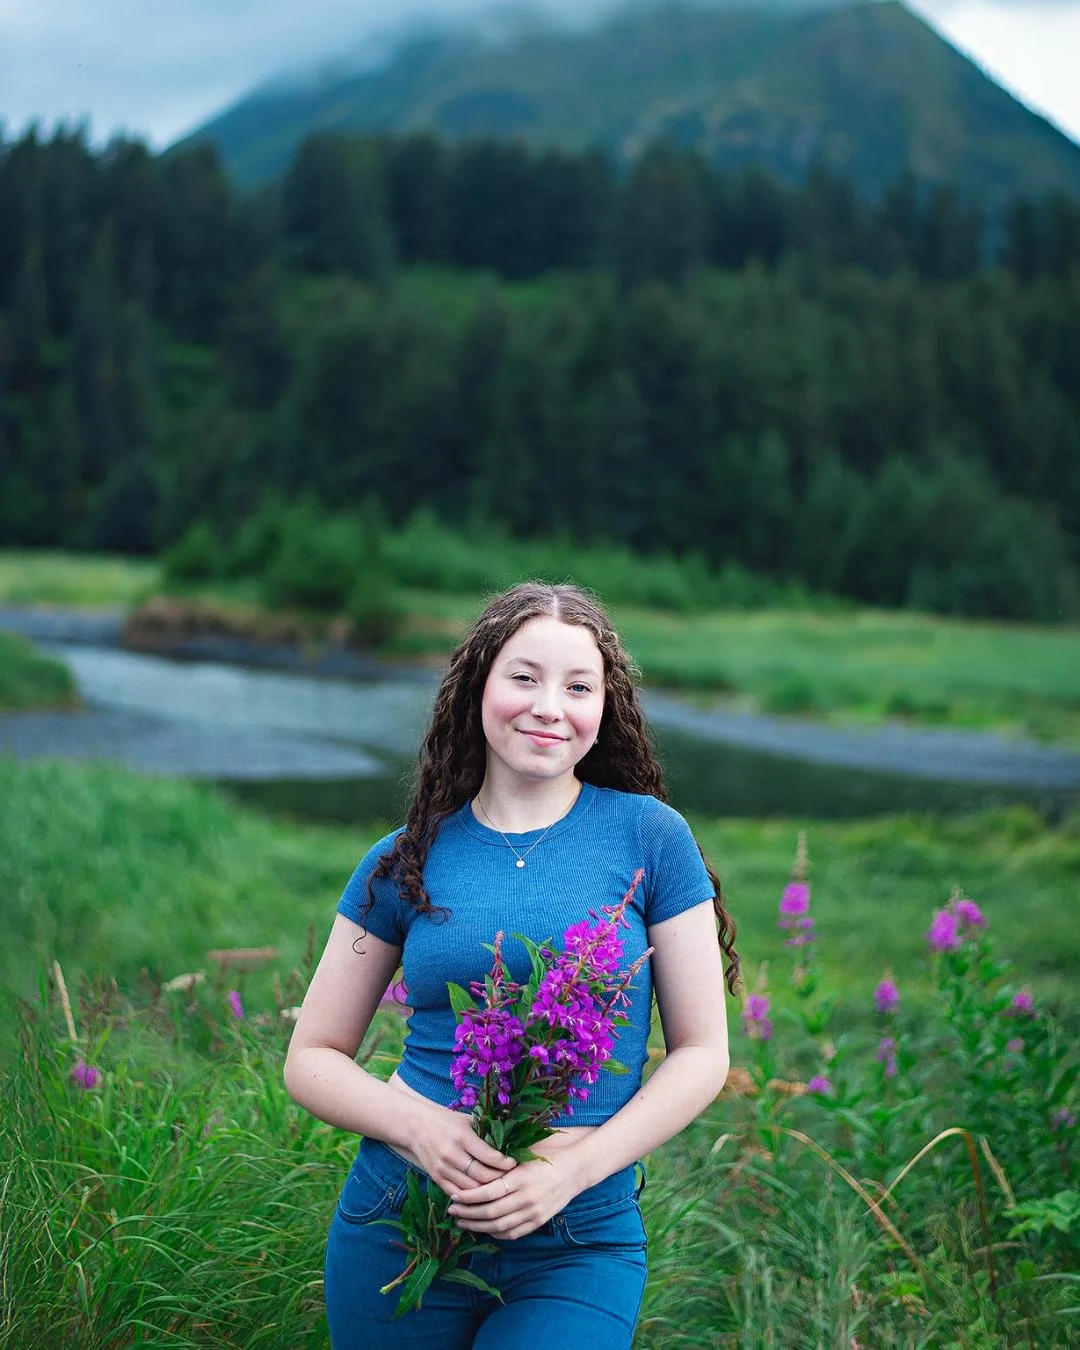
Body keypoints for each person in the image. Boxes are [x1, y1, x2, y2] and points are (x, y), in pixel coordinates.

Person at [284, 581, 740, 1349]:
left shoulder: (652, 839)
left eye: (578, 686)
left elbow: (703, 1054)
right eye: (523, 677)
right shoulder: (403, 858)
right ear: (479, 687)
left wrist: (573, 1170)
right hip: (402, 1223)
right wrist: (418, 1129)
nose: (548, 706)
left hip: (578, 1236)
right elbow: (310, 1057)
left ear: (605, 707)